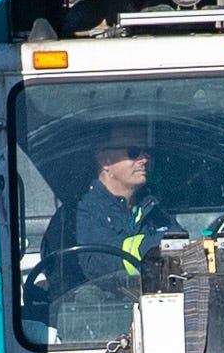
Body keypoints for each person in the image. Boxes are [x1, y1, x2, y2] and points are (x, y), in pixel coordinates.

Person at [40, 118, 164, 315]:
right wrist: (155, 251)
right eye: (133, 152)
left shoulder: (152, 209)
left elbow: (180, 244)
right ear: (105, 161)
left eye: (147, 152)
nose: (144, 159)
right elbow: (101, 261)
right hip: (93, 325)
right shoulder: (76, 215)